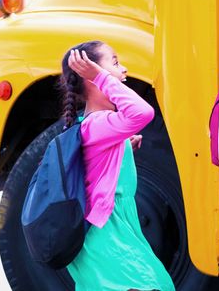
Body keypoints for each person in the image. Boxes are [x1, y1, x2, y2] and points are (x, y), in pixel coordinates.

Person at [59, 41, 174, 291]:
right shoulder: (97, 123)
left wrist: (122, 152)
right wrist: (101, 77)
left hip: (112, 230)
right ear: (90, 77)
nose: (124, 70)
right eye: (115, 62)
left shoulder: (94, 124)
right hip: (104, 235)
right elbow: (143, 113)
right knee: (156, 285)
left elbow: (95, 172)